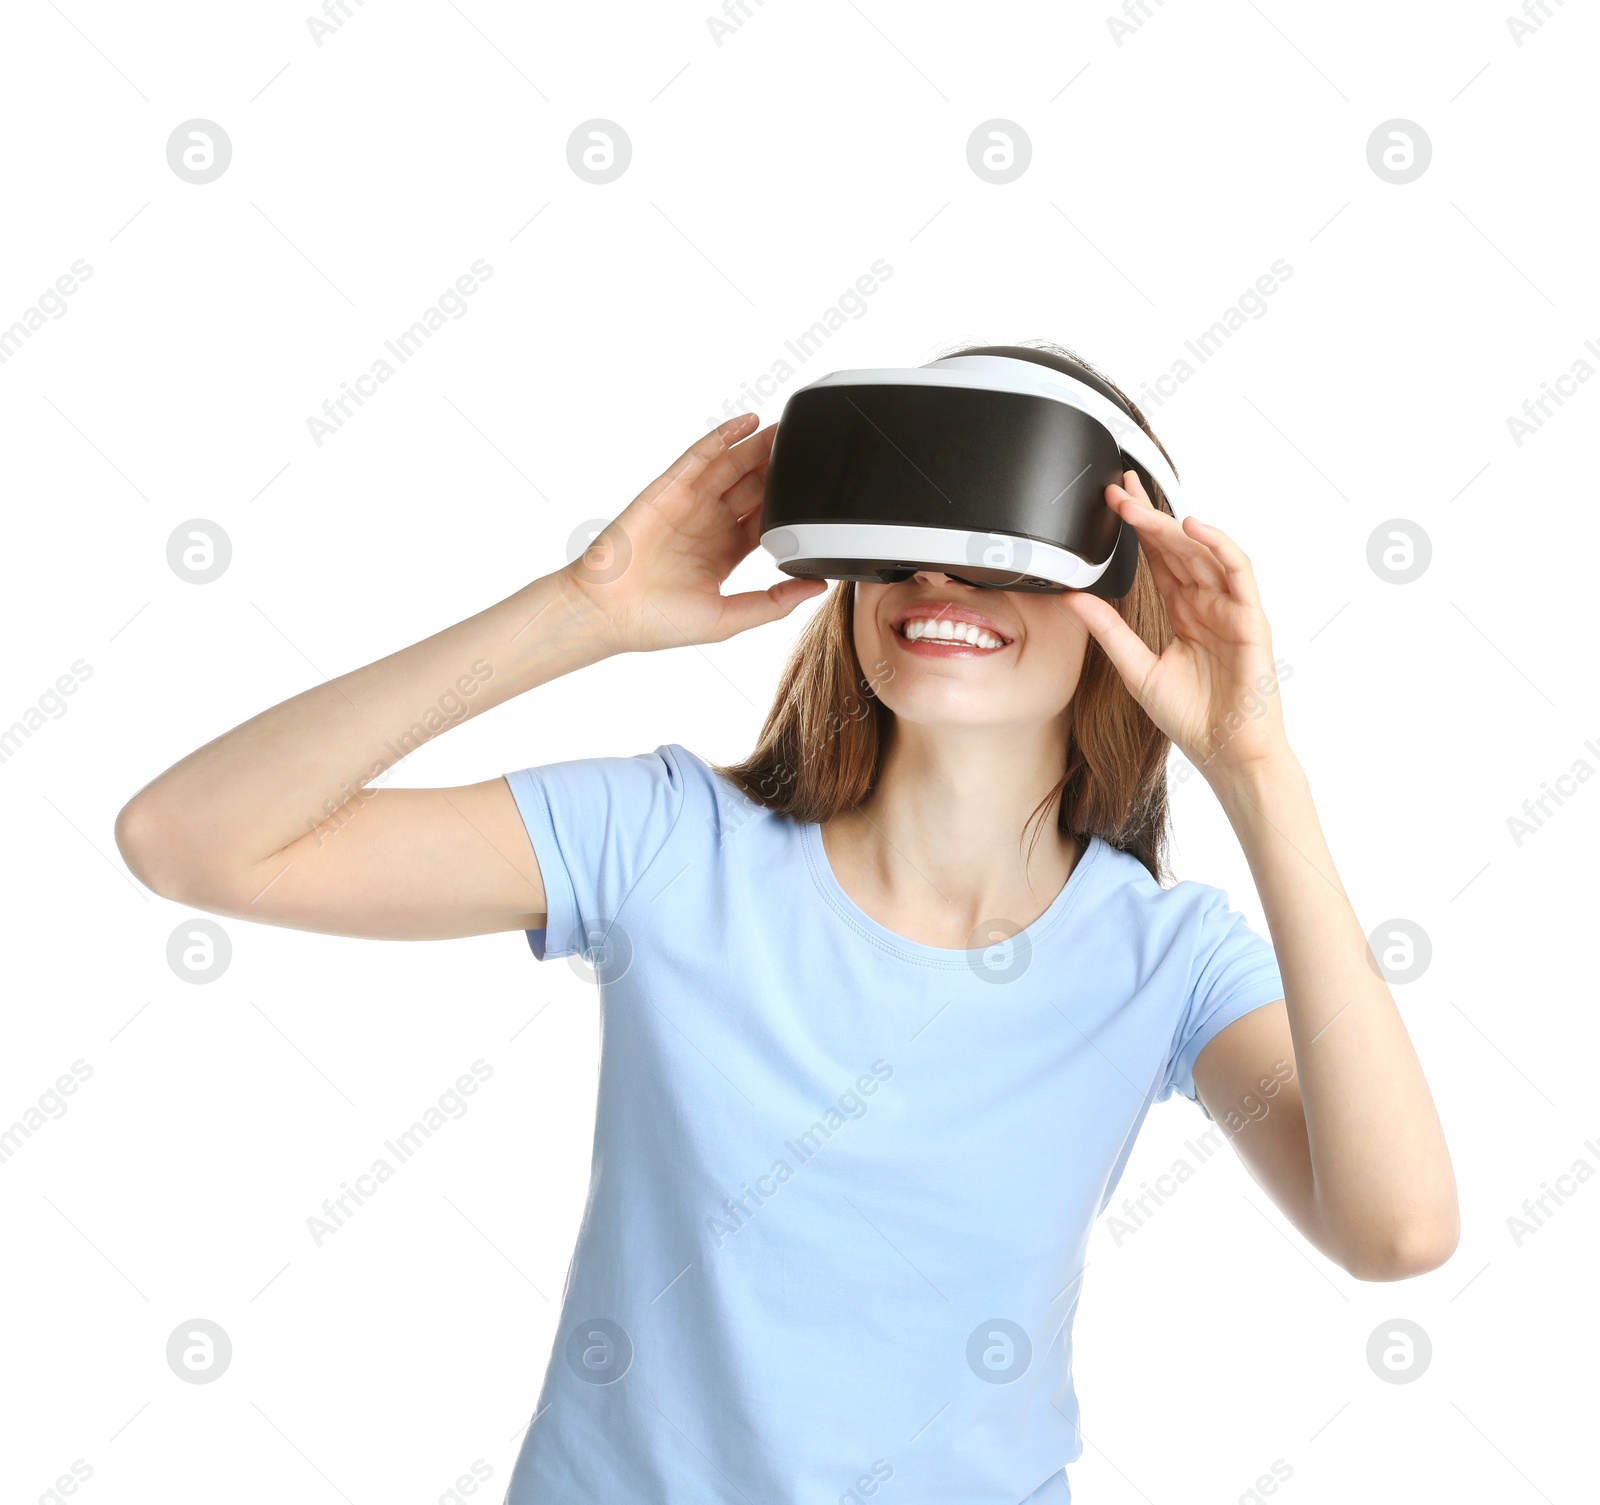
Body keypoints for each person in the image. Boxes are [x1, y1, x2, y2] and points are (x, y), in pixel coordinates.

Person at [114, 342, 1459, 1504]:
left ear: (1123, 595)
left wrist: (1254, 767)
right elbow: (189, 839)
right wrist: (582, 611)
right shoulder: (663, 845)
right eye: (904, 537)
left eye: (1001, 543)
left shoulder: (1165, 959)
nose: (944, 579)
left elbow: (1398, 1230)